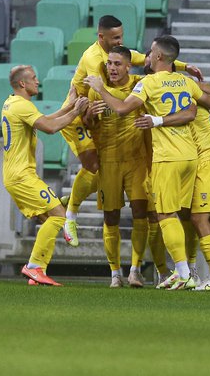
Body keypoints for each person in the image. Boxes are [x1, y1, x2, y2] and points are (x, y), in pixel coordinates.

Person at [59, 15, 204, 251]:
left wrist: (184, 66)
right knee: (93, 164)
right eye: (115, 37)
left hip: (97, 109)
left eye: (121, 36)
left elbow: (144, 59)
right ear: (101, 37)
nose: (120, 40)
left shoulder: (115, 53)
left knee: (102, 167)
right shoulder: (95, 59)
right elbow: (113, 93)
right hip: (75, 113)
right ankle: (71, 214)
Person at [85, 35, 210, 290]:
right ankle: (207, 273)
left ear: (157, 56)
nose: (146, 55)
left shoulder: (146, 83)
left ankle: (183, 272)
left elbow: (123, 109)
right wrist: (190, 78)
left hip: (166, 157)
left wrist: (101, 89)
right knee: (184, 216)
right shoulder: (184, 81)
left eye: (150, 52)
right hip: (190, 155)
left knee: (165, 215)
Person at [136, 83, 210, 291]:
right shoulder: (188, 94)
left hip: (208, 159)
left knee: (198, 218)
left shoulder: (183, 101)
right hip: (209, 159)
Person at [2, 65, 88, 286]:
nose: (37, 81)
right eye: (33, 78)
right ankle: (34, 267)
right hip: (22, 176)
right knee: (58, 215)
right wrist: (76, 112)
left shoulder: (13, 102)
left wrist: (69, 106)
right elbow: (50, 127)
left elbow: (46, 118)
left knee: (50, 217)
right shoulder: (22, 105)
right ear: (22, 83)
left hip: (17, 174)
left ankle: (36, 274)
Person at [82, 46, 151, 288]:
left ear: (128, 66)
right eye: (109, 63)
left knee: (140, 213)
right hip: (109, 160)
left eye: (117, 64)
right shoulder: (95, 90)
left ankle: (135, 270)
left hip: (137, 160)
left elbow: (126, 108)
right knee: (110, 217)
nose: (112, 68)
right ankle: (115, 273)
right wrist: (89, 115)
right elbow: (89, 125)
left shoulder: (140, 84)